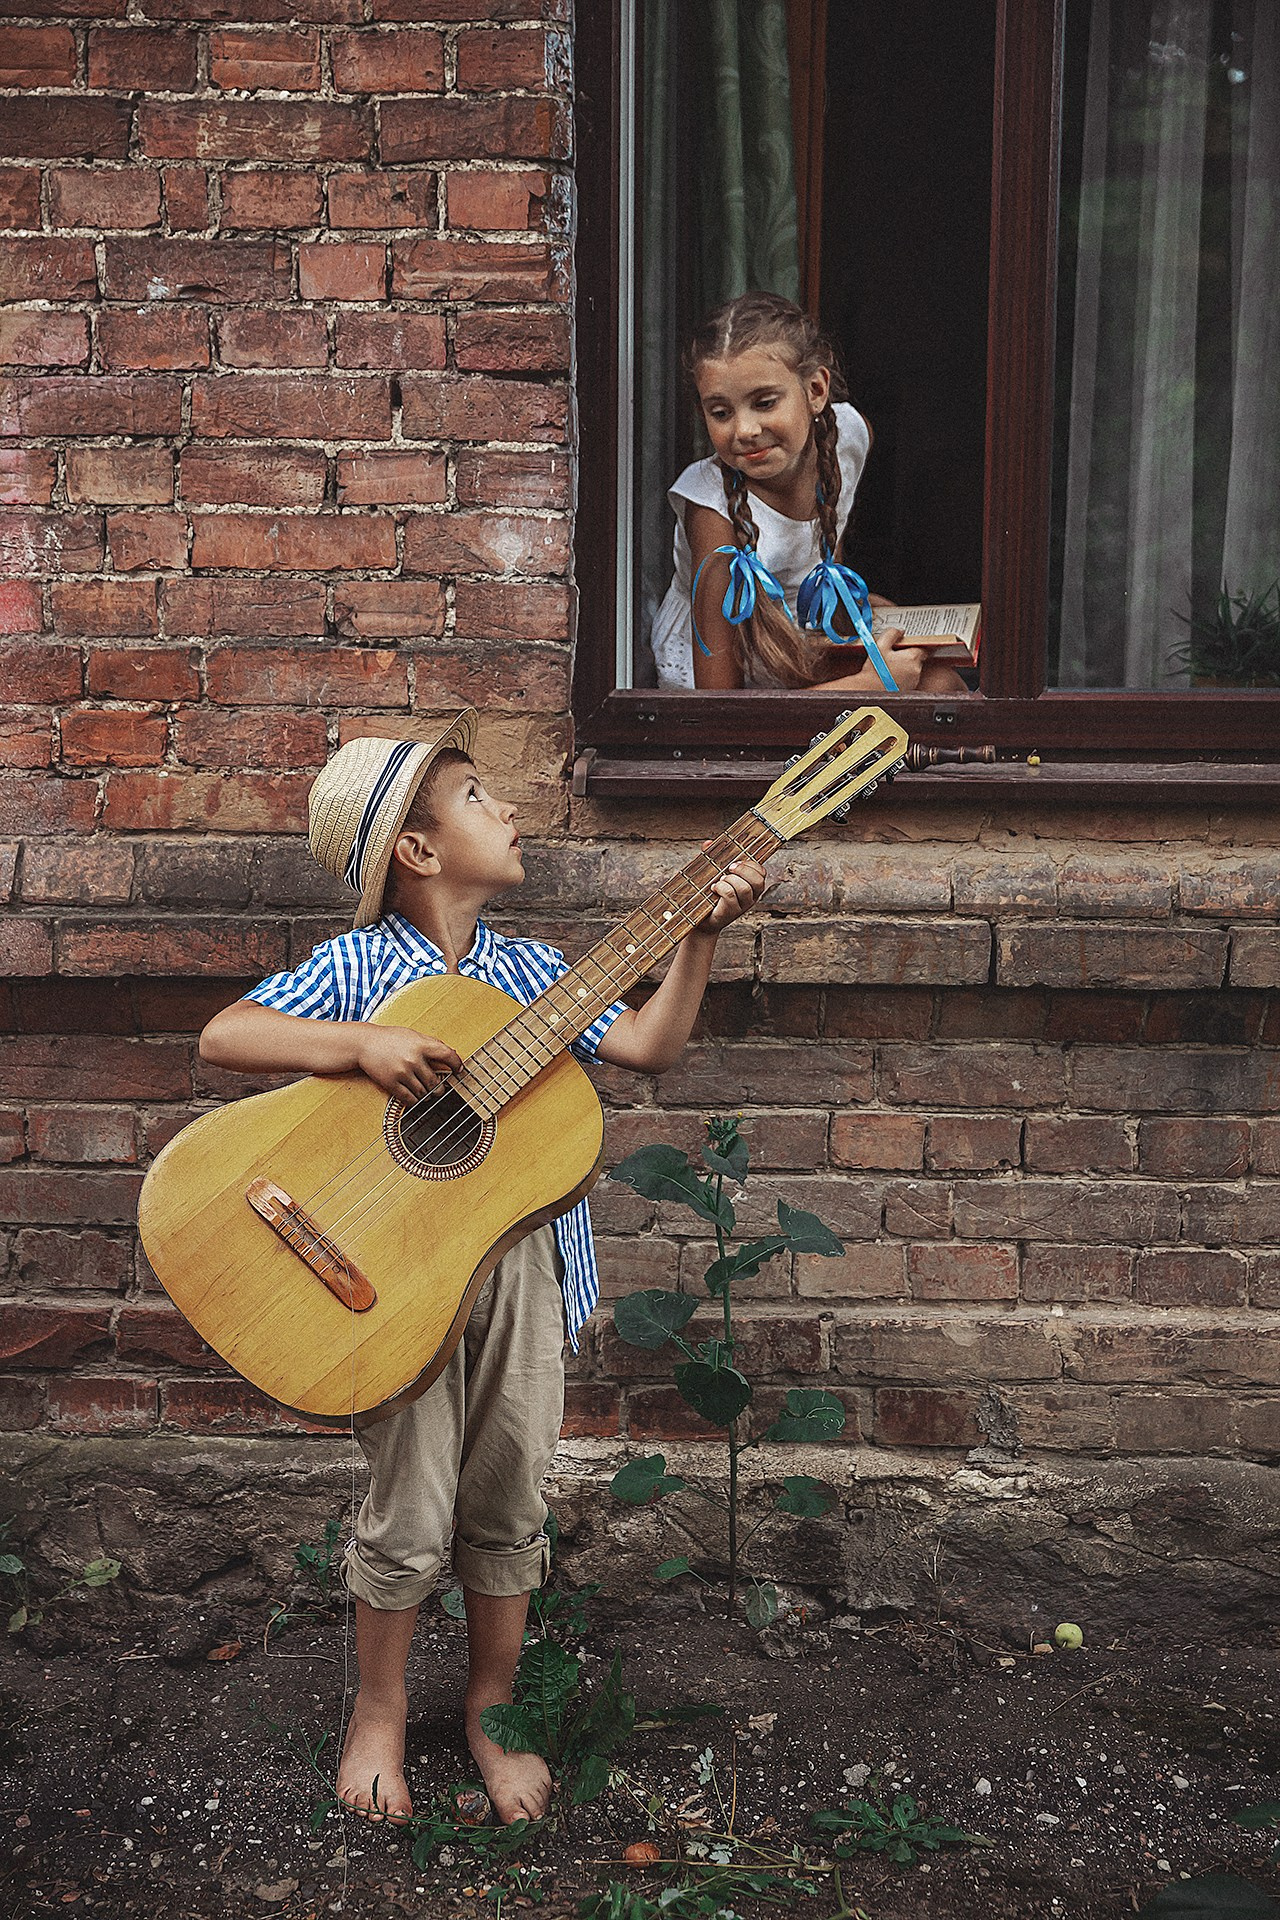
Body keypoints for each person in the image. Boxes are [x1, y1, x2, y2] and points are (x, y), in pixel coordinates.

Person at [198, 714, 767, 1828]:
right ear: (414, 850)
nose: (506, 810)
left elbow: (648, 1048)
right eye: (475, 798)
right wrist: (361, 1045)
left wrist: (698, 934)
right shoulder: (362, 966)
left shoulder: (535, 974)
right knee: (406, 1509)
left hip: (519, 1268)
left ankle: (491, 1711)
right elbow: (225, 1036)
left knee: (508, 1497)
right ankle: (377, 1711)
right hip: (385, 1275)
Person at [650, 290, 968, 697]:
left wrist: (848, 605)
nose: (744, 430)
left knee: (945, 686)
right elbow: (719, 710)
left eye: (764, 402)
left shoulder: (849, 436)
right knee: (916, 692)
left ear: (816, 390)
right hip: (739, 666)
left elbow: (822, 539)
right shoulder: (712, 513)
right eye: (721, 412)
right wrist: (870, 684)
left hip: (805, 630)